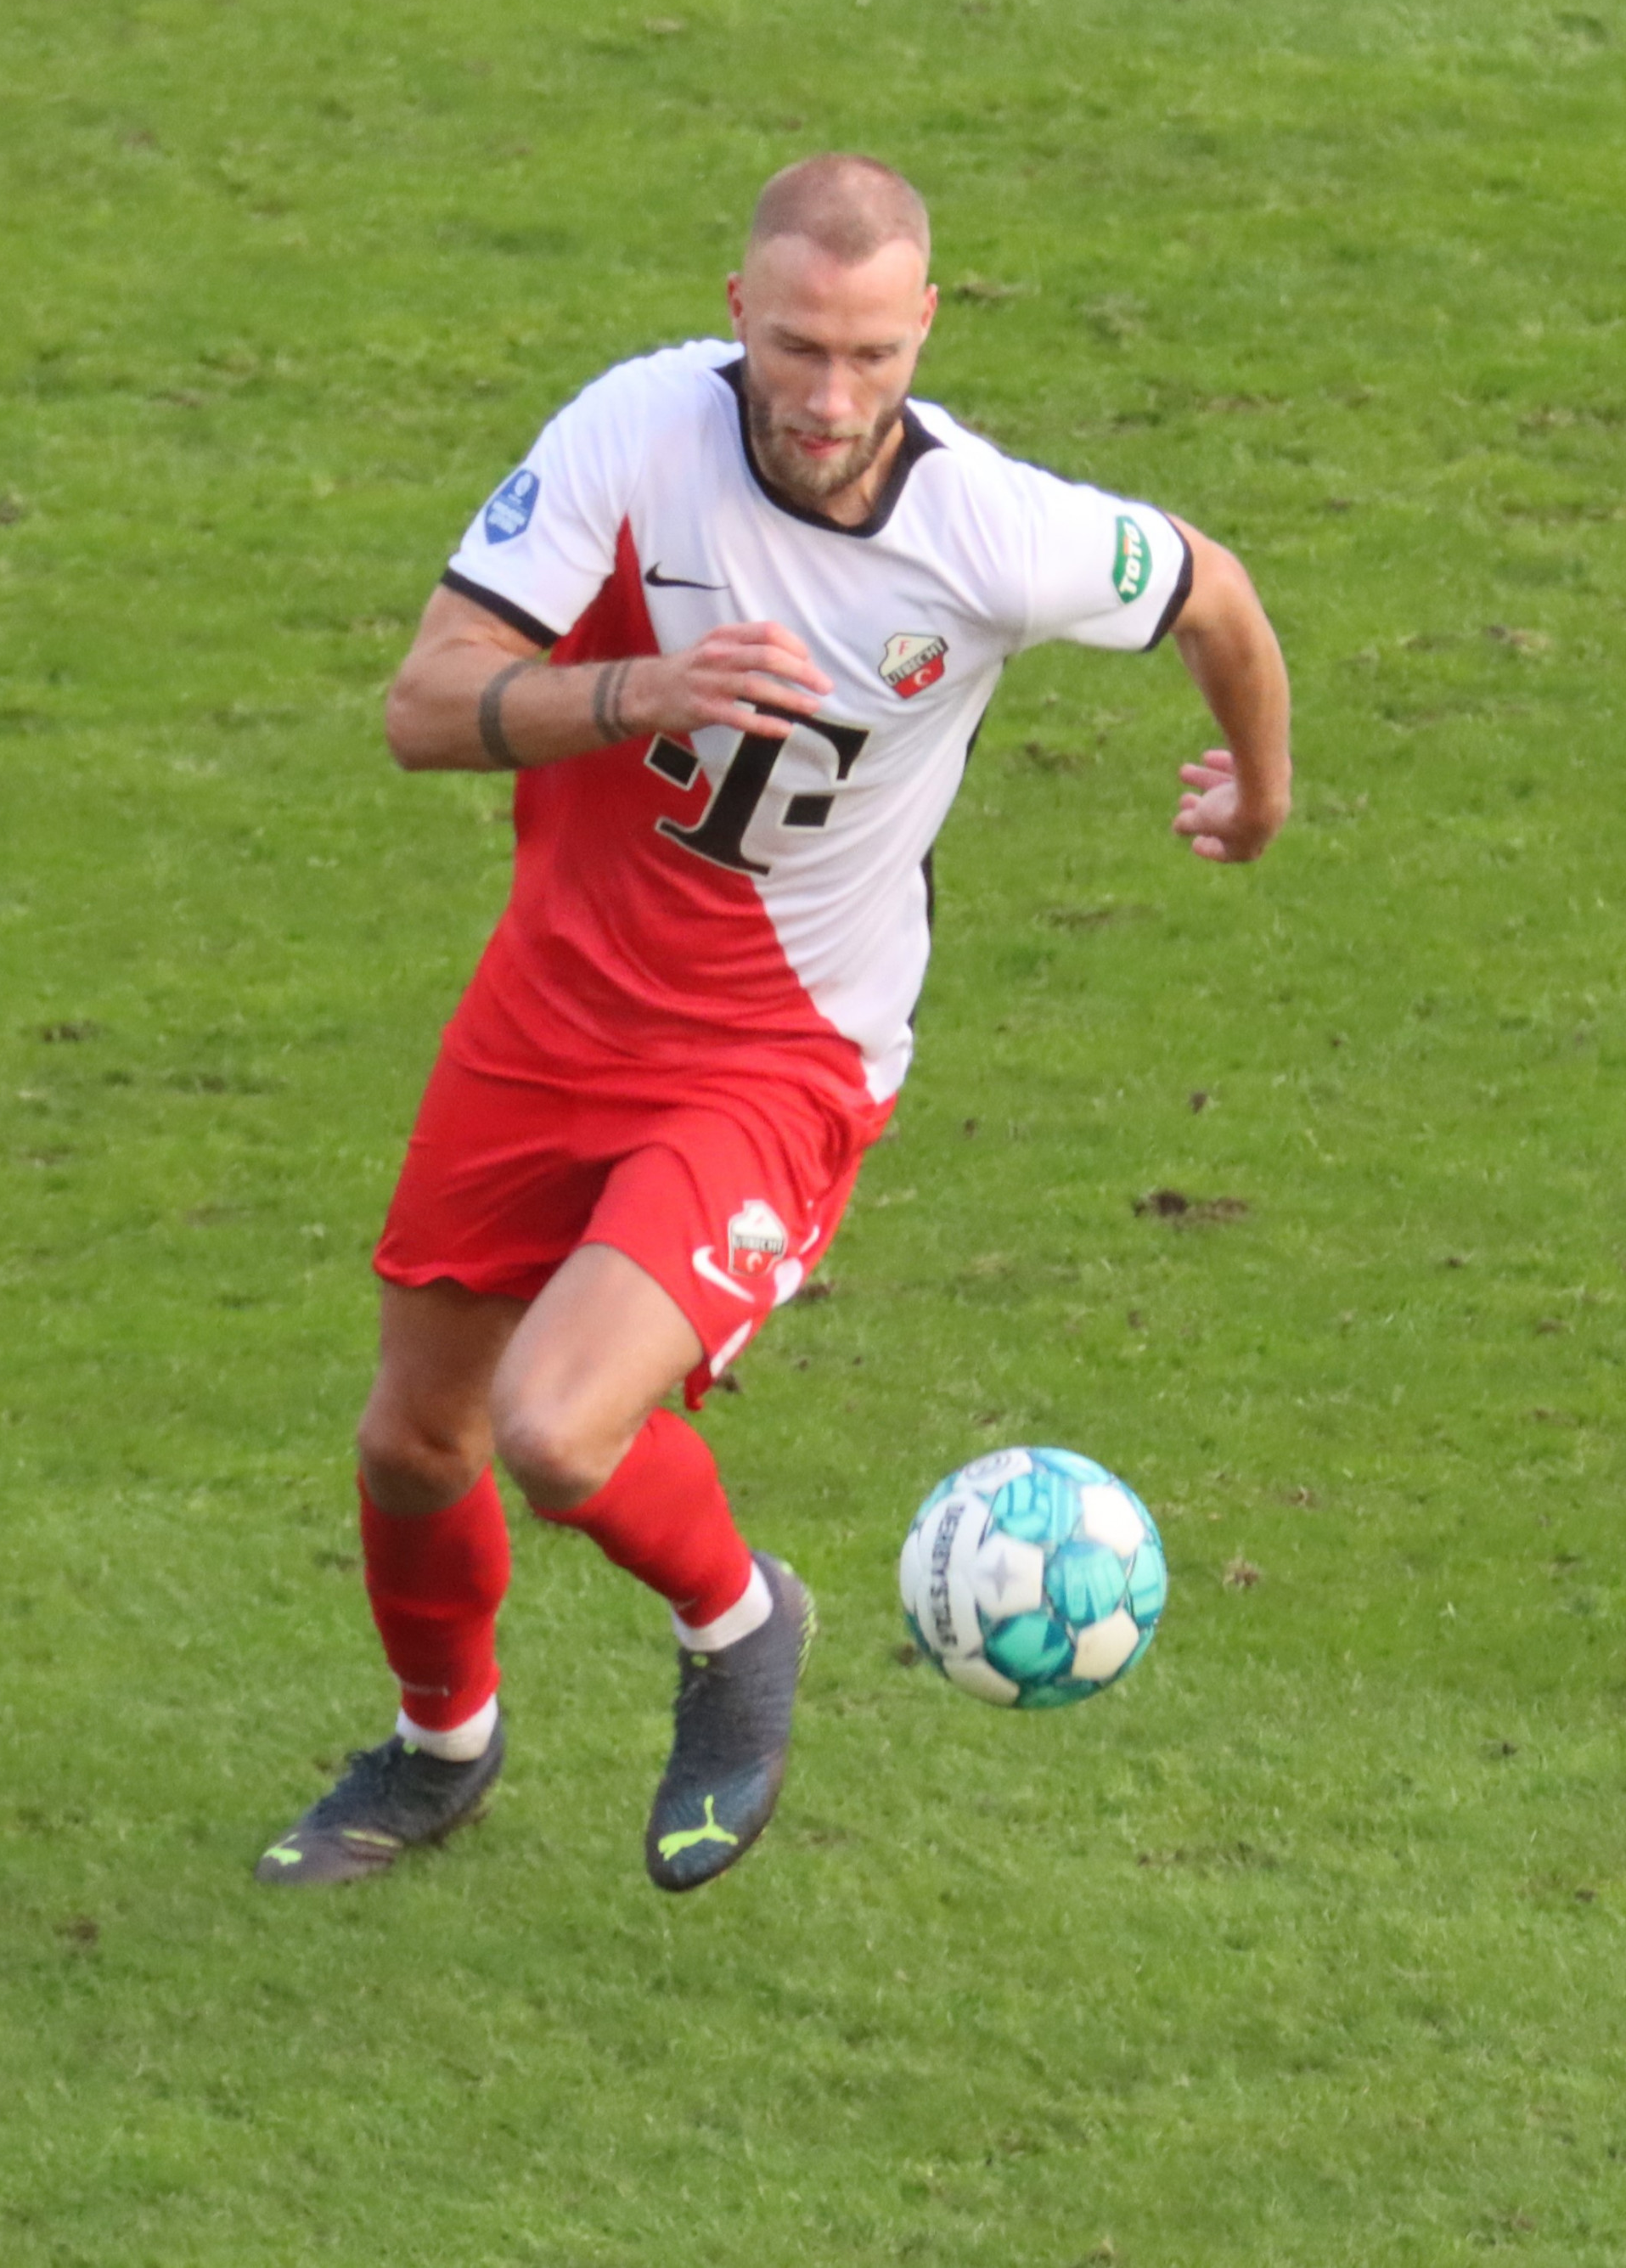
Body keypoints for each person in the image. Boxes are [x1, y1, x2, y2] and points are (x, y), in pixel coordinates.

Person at [256, 155, 1290, 1890]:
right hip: (552, 999)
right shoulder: (632, 434)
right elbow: (423, 706)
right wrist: (631, 691)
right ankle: (441, 1752)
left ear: (927, 331)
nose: (831, 398)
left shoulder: (998, 534)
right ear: (739, 312)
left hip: (777, 1050)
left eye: (873, 356)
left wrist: (1257, 794)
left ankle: (744, 1627)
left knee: (554, 1424)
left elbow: (1222, 595)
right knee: (411, 1434)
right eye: (800, 347)